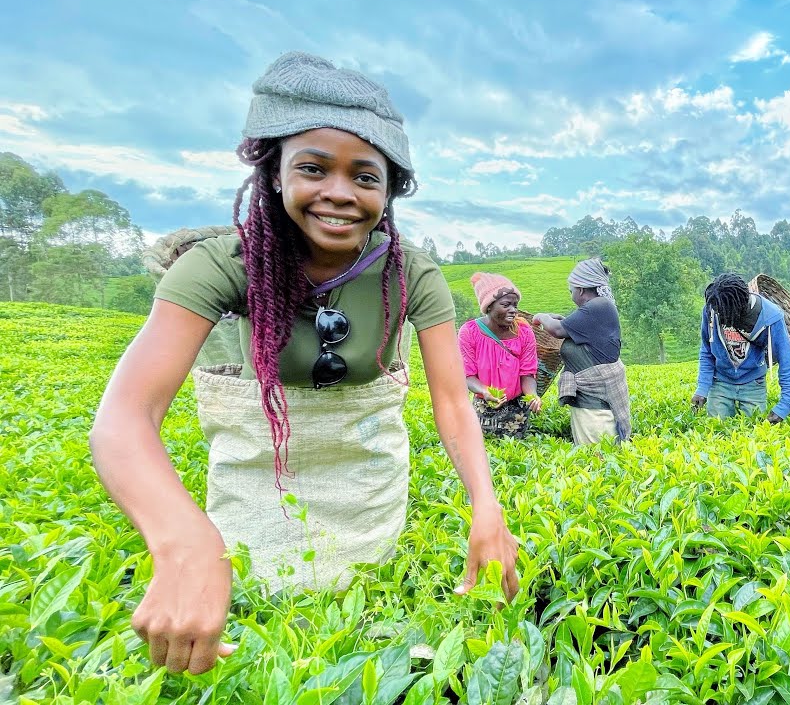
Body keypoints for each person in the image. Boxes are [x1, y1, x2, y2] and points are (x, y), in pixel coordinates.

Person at [87, 52, 519, 677]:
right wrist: (182, 540)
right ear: (275, 174)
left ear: (389, 190)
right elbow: (125, 416)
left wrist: (485, 501)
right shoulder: (220, 265)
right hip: (254, 484)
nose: (340, 193)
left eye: (366, 177)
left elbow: (451, 401)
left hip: (366, 486)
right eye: (313, 168)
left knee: (363, 630)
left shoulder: (412, 273)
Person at [532, 257, 631, 445]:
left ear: (581, 289)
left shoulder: (598, 305)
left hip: (596, 410)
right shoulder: (596, 308)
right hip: (589, 406)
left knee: (597, 462)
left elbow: (558, 330)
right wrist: (557, 320)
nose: (571, 295)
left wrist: (541, 317)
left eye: (571, 291)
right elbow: (567, 327)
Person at [691, 273, 790, 423]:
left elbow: (786, 361)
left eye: (724, 313)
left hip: (753, 384)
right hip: (720, 382)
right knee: (716, 433)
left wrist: (785, 406)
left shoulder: (770, 316)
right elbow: (707, 351)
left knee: (752, 435)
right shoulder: (713, 308)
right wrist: (702, 388)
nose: (719, 315)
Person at [457, 273, 542, 438]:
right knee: (485, 449)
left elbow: (528, 373)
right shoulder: (469, 332)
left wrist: (532, 396)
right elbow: (467, 375)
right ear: (489, 306)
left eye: (515, 305)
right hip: (484, 405)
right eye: (506, 305)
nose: (513, 310)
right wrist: (485, 390)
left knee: (514, 453)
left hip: (517, 408)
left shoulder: (524, 331)